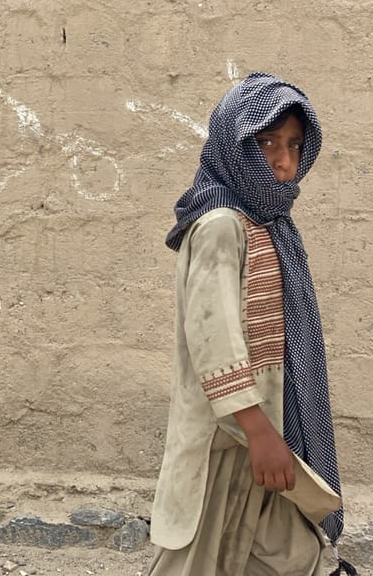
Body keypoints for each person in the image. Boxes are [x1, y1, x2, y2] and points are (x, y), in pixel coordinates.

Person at [149, 72, 355, 576]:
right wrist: (258, 430)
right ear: (234, 143)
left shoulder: (271, 225)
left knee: (290, 555)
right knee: (195, 558)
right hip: (226, 435)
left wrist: (270, 432)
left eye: (293, 146)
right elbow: (212, 335)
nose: (283, 161)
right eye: (266, 143)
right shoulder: (220, 224)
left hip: (271, 424)